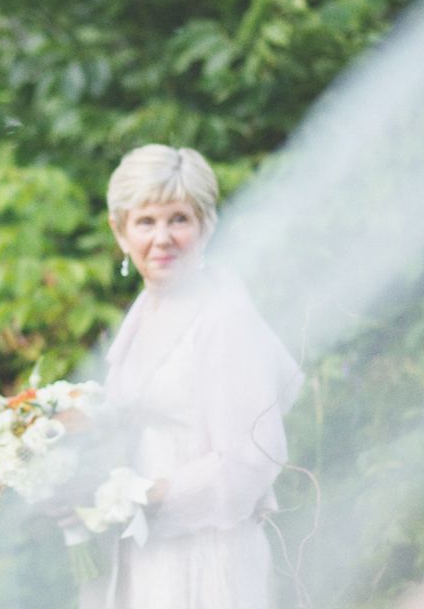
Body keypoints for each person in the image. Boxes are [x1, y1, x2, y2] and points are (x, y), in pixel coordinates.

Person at [83, 144, 303, 608]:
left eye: (179, 219)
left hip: (207, 551)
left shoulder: (224, 317)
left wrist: (147, 496)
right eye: (146, 222)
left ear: (206, 225)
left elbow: (251, 459)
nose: (162, 238)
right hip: (145, 547)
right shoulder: (144, 312)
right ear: (120, 231)